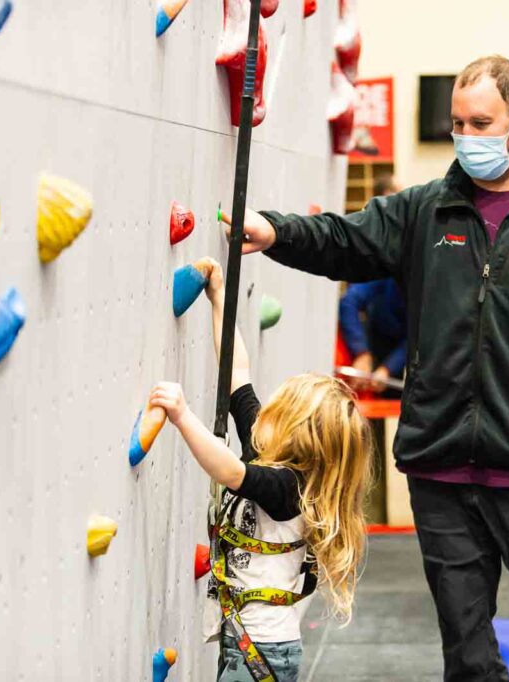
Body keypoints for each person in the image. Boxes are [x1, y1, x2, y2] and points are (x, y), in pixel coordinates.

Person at [221, 54, 509, 681]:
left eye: (481, 123)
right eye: (458, 124)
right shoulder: (426, 211)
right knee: (465, 650)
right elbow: (345, 239)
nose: (467, 137)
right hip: (440, 469)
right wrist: (275, 232)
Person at [149, 260, 373, 682]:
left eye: (278, 409)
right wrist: (220, 301)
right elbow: (237, 377)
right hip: (245, 641)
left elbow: (232, 473)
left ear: (297, 434)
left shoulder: (289, 487)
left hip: (262, 650)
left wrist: (182, 416)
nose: (264, 410)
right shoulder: (272, 452)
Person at [339, 173, 406, 395]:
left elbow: (423, 329)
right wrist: (361, 353)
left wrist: (390, 368)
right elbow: (349, 302)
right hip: (378, 337)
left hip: (412, 349)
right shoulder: (381, 252)